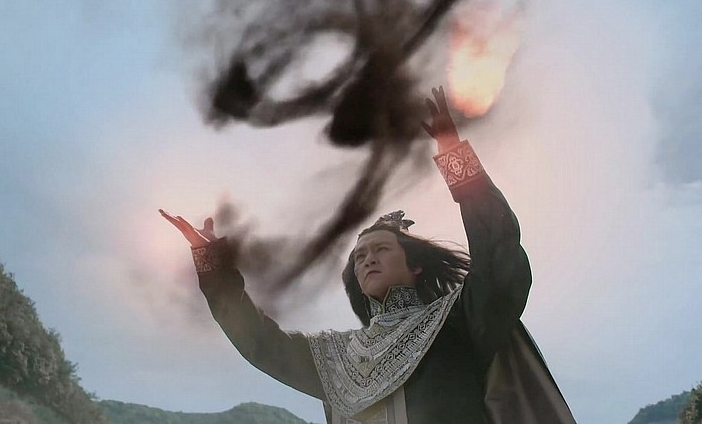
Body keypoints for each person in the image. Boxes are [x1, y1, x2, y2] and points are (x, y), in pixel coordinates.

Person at [160, 87, 576, 423]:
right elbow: (258, 343)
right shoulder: (338, 358)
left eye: (380, 249)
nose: (367, 259)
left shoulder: (458, 320)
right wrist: (213, 266)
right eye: (359, 257)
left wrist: (454, 156)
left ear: (415, 265)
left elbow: (499, 256)